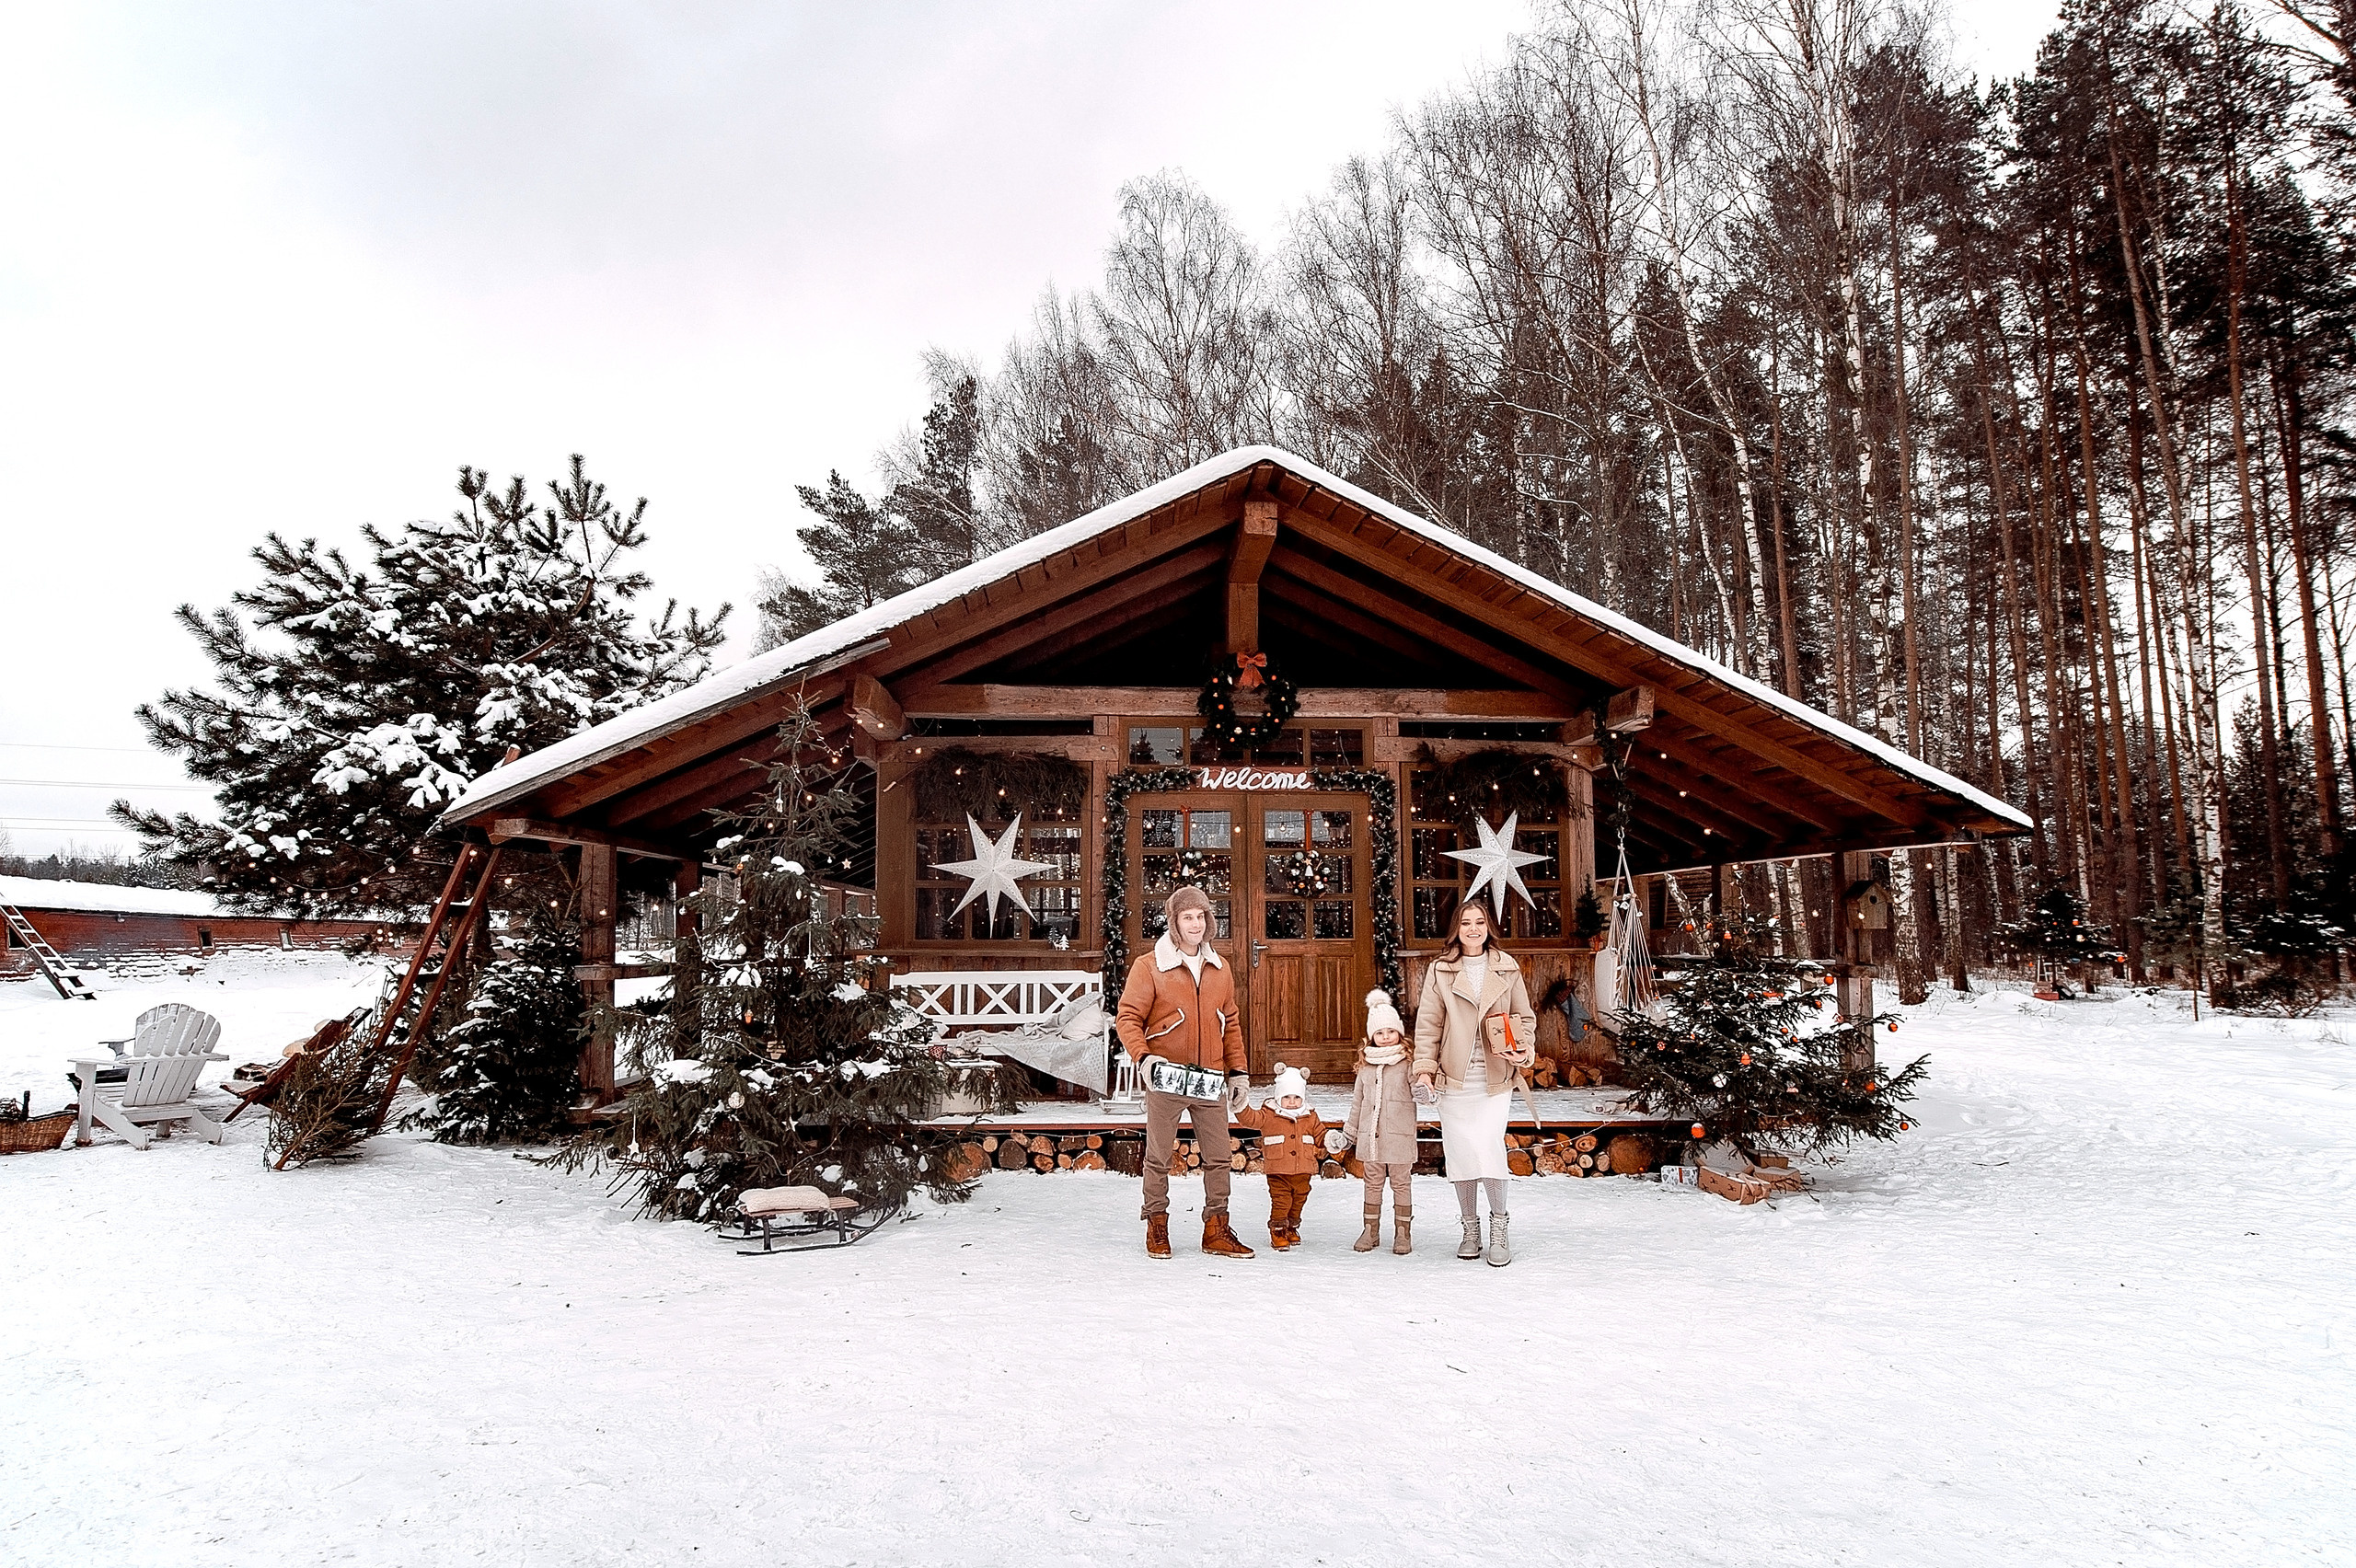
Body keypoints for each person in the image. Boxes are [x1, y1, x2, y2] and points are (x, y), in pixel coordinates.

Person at [1115, 884, 1254, 1260]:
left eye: (1201, 916)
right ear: (1174, 922)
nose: (1196, 923)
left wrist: (1237, 1071)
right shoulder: (1150, 966)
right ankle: (1157, 1225)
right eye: (1187, 917)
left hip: (1210, 1077)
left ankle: (1216, 1229)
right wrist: (1144, 1058)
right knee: (1159, 1156)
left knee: (1220, 1156)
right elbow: (1127, 1018)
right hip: (1166, 1076)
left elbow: (1231, 1022)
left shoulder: (1219, 968)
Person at [1411, 897, 1536, 1267]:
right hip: (1455, 1079)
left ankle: (1500, 1226)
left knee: (1488, 1147)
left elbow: (1524, 1017)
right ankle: (1470, 1228)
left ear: (1488, 927)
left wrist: (1522, 1050)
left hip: (1495, 1079)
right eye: (1466, 922)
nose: (1473, 929)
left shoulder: (1507, 968)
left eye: (1479, 922)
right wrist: (1424, 1070)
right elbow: (1429, 1025)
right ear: (1457, 928)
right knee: (1462, 1154)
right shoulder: (1441, 970)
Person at [1330, 987, 1418, 1254]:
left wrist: (1428, 1091)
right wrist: (1350, 1133)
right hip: (1371, 1138)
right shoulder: (1366, 1066)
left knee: (1401, 1183)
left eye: (1390, 1031)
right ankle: (1371, 1230)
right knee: (1372, 1183)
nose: (1386, 1037)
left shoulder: (1408, 1063)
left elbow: (1419, 1090)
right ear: (1371, 1037)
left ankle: (1403, 1233)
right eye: (1379, 1033)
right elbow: (1358, 1103)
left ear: (1399, 1033)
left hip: (1400, 1136)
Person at [1232, 1063, 1330, 1251]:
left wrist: (1332, 1139)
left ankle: (1292, 1227)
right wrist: (1240, 1105)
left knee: (1299, 1201)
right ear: (1278, 1097)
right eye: (1286, 1097)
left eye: (1296, 1097)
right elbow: (1249, 1119)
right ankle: (1277, 1229)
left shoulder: (1310, 1116)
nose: (1292, 1102)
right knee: (1282, 1201)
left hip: (1304, 1171)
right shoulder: (1269, 1114)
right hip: (1278, 1171)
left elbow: (1321, 1135)